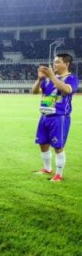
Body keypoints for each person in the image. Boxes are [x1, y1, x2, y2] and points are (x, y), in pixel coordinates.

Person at [32, 53, 79, 182]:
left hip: (59, 117)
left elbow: (67, 90)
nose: (54, 64)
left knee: (58, 146)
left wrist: (52, 76)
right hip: (45, 115)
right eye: (54, 61)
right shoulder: (47, 80)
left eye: (58, 62)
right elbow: (34, 92)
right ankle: (47, 168)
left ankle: (59, 174)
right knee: (42, 143)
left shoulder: (71, 78)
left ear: (66, 64)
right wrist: (40, 79)